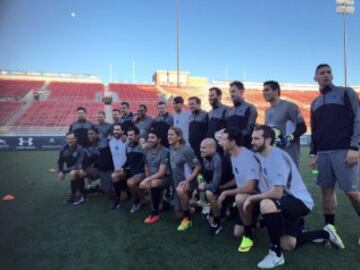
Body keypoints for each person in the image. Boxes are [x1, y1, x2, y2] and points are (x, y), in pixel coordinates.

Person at [242, 125, 344, 269]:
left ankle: (275, 254)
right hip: (283, 203)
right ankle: (326, 233)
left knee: (266, 203)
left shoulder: (278, 156)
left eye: (257, 138)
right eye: (252, 138)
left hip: (299, 202)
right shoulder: (260, 157)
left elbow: (276, 193)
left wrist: (252, 198)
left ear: (268, 140)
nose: (253, 141)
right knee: (288, 244)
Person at [310, 64, 360, 235]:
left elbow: (358, 119)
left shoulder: (346, 92)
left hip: (344, 150)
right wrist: (312, 152)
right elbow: (315, 130)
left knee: (352, 192)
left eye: (329, 72)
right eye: (322, 73)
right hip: (323, 153)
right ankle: (330, 230)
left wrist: (355, 147)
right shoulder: (315, 102)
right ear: (315, 78)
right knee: (327, 192)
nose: (326, 75)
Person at [216, 127, 260, 248]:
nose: (221, 142)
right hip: (243, 193)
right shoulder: (233, 155)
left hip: (255, 195)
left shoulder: (248, 157)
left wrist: (225, 193)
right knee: (237, 233)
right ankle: (254, 222)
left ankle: (249, 234)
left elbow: (250, 187)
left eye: (224, 139)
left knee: (240, 198)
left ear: (233, 142)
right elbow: (238, 178)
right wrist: (223, 187)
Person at [263, 80, 307, 167]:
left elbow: (302, 127)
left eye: (267, 90)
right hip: (274, 155)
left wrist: (287, 138)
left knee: (290, 180)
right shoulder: (267, 112)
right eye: (263, 90)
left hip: (289, 155)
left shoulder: (290, 106)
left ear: (276, 91)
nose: (264, 93)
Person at [168, 127, 202, 231]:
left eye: (172, 134)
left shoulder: (186, 150)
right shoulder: (171, 148)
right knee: (178, 214)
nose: (169, 137)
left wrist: (188, 180)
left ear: (179, 136)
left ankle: (188, 220)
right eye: (168, 134)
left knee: (180, 190)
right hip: (176, 183)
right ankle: (193, 205)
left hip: (188, 182)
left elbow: (198, 166)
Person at [139, 130, 170, 224]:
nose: (150, 139)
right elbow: (146, 166)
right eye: (149, 137)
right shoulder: (146, 150)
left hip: (166, 178)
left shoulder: (165, 151)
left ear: (159, 140)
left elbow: (161, 173)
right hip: (152, 177)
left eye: (153, 137)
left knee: (152, 183)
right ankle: (163, 203)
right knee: (139, 183)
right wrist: (147, 177)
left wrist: (147, 179)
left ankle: (154, 214)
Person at [198, 138, 225, 235]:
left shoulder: (218, 160)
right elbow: (207, 176)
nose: (201, 149)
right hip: (216, 185)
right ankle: (209, 208)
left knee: (209, 193)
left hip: (226, 187)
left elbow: (215, 184)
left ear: (213, 149)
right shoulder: (205, 157)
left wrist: (203, 186)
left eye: (204, 148)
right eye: (201, 147)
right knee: (201, 184)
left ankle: (217, 222)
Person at [83, 127, 114, 199]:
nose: (89, 135)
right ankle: (80, 192)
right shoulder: (88, 147)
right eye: (88, 134)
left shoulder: (106, 142)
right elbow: (87, 161)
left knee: (109, 195)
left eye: (91, 134)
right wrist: (83, 168)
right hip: (97, 169)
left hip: (108, 171)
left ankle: (101, 188)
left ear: (97, 134)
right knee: (81, 172)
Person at [57, 132, 86, 205]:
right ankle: (74, 196)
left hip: (83, 168)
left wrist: (64, 171)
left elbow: (78, 165)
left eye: (72, 138)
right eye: (68, 139)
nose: (70, 140)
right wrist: (60, 171)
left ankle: (82, 196)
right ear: (66, 139)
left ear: (76, 139)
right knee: (72, 172)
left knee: (73, 172)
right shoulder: (63, 149)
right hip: (71, 169)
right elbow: (60, 162)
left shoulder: (80, 148)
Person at [226, 81, 257, 148]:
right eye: (230, 92)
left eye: (234, 91)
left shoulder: (250, 108)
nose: (231, 94)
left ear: (241, 91)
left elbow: (248, 129)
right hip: (230, 147)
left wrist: (234, 138)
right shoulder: (229, 110)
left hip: (243, 147)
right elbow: (226, 128)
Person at [124, 126, 147, 213]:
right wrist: (123, 167)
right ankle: (143, 197)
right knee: (117, 176)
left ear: (138, 136)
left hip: (143, 172)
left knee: (130, 182)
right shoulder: (127, 146)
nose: (129, 137)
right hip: (133, 172)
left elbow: (148, 157)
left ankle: (137, 201)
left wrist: (142, 145)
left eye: (131, 135)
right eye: (128, 135)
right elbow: (128, 160)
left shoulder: (143, 145)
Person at [109, 123, 128, 209]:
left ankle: (118, 199)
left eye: (118, 129)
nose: (116, 131)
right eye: (115, 129)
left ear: (122, 131)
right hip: (117, 170)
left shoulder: (127, 141)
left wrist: (123, 167)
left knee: (114, 176)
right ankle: (120, 196)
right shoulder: (110, 142)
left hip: (127, 170)